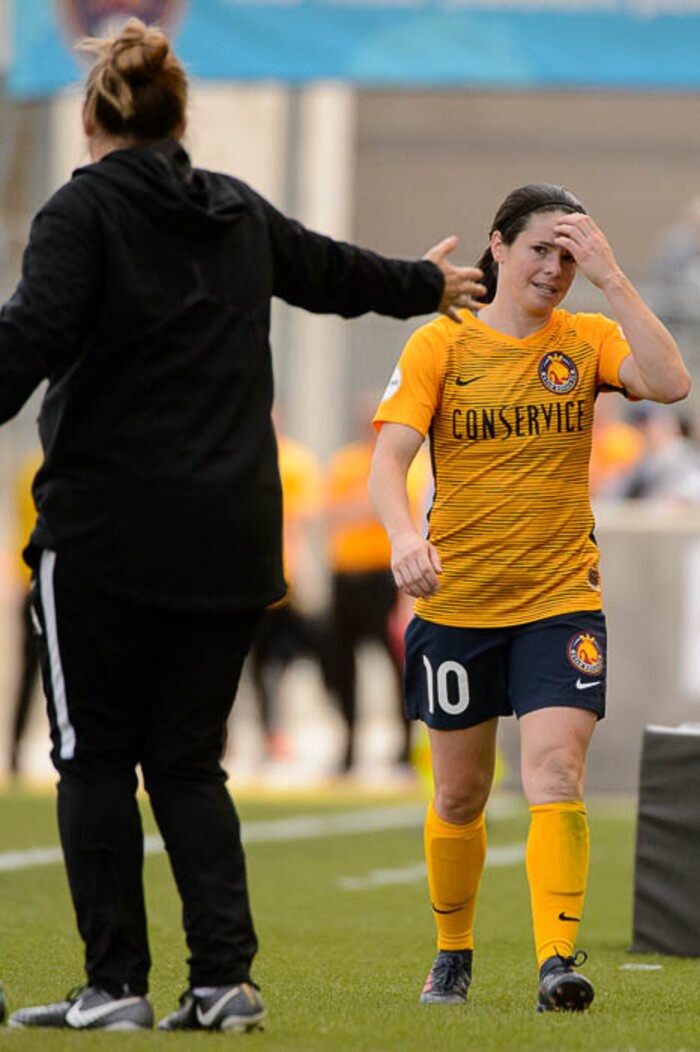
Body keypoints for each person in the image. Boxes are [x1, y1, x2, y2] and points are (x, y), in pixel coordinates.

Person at [1, 17, 486, 1033]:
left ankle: (115, 983)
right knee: (187, 762)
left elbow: (27, 339)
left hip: (106, 535)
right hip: (227, 543)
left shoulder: (81, 211)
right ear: (182, 118)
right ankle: (224, 979)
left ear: (94, 117)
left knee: (93, 758)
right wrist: (426, 283)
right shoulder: (234, 209)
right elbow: (334, 272)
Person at [369, 183, 690, 1013]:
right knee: (460, 795)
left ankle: (557, 960)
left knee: (554, 772)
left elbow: (670, 382)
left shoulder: (587, 339)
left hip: (559, 600)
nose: (555, 268)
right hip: (457, 604)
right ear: (500, 247)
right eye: (541, 249)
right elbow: (387, 461)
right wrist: (406, 537)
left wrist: (616, 278)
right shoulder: (441, 343)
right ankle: (452, 953)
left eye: (570, 254)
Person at [323, 396, 431, 773]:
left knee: (396, 664)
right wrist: (361, 510)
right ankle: (348, 744)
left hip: (382, 575)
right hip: (345, 575)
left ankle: (404, 745)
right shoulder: (346, 464)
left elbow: (395, 509)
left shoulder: (408, 468)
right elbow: (328, 513)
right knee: (339, 664)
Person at [247, 427, 325, 763]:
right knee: (250, 667)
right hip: (244, 584)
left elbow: (303, 521)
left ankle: (277, 731)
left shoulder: (292, 462)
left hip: (282, 582)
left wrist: (306, 574)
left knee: (281, 661)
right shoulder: (244, 457)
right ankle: (261, 732)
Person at [8, 449, 43, 777]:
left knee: (28, 676)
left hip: (32, 583)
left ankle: (15, 750)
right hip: (40, 585)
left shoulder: (33, 470)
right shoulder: (35, 472)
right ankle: (15, 749)